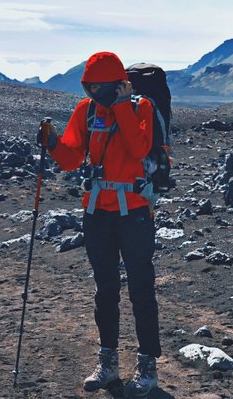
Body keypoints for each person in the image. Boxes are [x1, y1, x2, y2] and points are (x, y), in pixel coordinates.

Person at [38, 51, 161, 397]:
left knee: (141, 290)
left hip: (135, 213)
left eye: (99, 86)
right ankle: (108, 363)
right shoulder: (86, 110)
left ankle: (148, 366)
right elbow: (71, 159)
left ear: (117, 83)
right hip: (97, 212)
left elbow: (140, 148)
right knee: (105, 289)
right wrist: (51, 143)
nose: (94, 92)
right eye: (89, 86)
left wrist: (121, 105)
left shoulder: (141, 108)